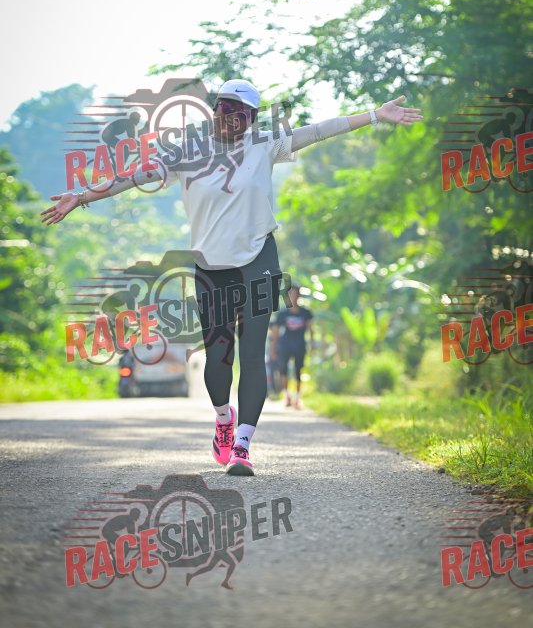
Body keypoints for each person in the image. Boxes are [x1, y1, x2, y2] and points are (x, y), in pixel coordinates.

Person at [41, 79, 423, 476]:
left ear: (253, 118)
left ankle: (242, 444)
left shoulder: (265, 143)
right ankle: (224, 419)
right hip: (210, 266)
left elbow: (320, 130)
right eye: (226, 107)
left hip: (259, 258)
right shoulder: (186, 151)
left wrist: (376, 115)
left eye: (243, 112)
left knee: (252, 353)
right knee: (219, 357)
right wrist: (82, 196)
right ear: (214, 110)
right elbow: (134, 176)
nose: (233, 117)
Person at [269, 285, 313, 408]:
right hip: (285, 345)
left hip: (299, 345)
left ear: (299, 295)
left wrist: (311, 344)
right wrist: (273, 348)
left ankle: (297, 398)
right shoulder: (283, 314)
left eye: (295, 294)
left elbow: (311, 330)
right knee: (283, 369)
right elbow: (275, 332)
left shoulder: (306, 313)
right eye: (291, 294)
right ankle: (287, 396)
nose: (293, 296)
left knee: (298, 370)